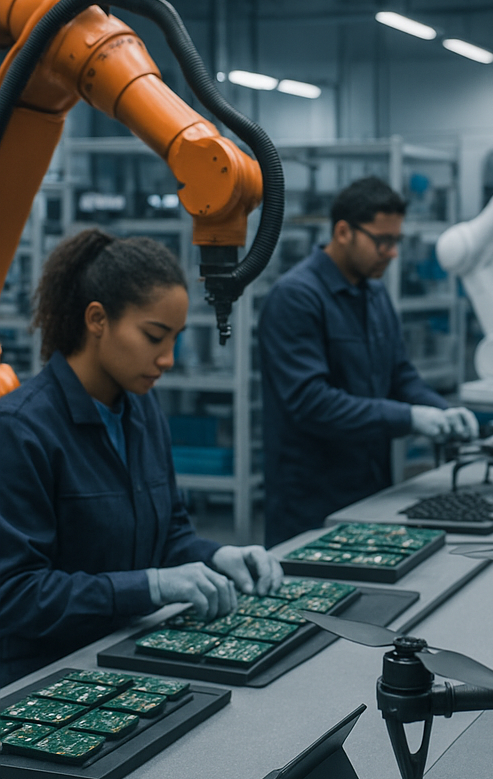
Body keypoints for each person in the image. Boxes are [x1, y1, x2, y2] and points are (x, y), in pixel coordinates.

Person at [0, 229, 282, 687]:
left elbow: (169, 535)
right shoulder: (21, 430)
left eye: (175, 338)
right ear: (97, 319)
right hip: (45, 680)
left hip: (126, 654)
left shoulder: (142, 408)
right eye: (154, 336)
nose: (168, 359)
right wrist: (150, 587)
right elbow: (14, 595)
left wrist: (219, 556)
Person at [259, 176, 478, 547]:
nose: (392, 253)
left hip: (373, 490)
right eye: (383, 241)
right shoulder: (295, 299)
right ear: (344, 232)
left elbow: (401, 376)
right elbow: (310, 402)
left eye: (397, 241)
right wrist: (408, 418)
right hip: (311, 502)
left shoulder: (374, 295)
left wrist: (440, 412)